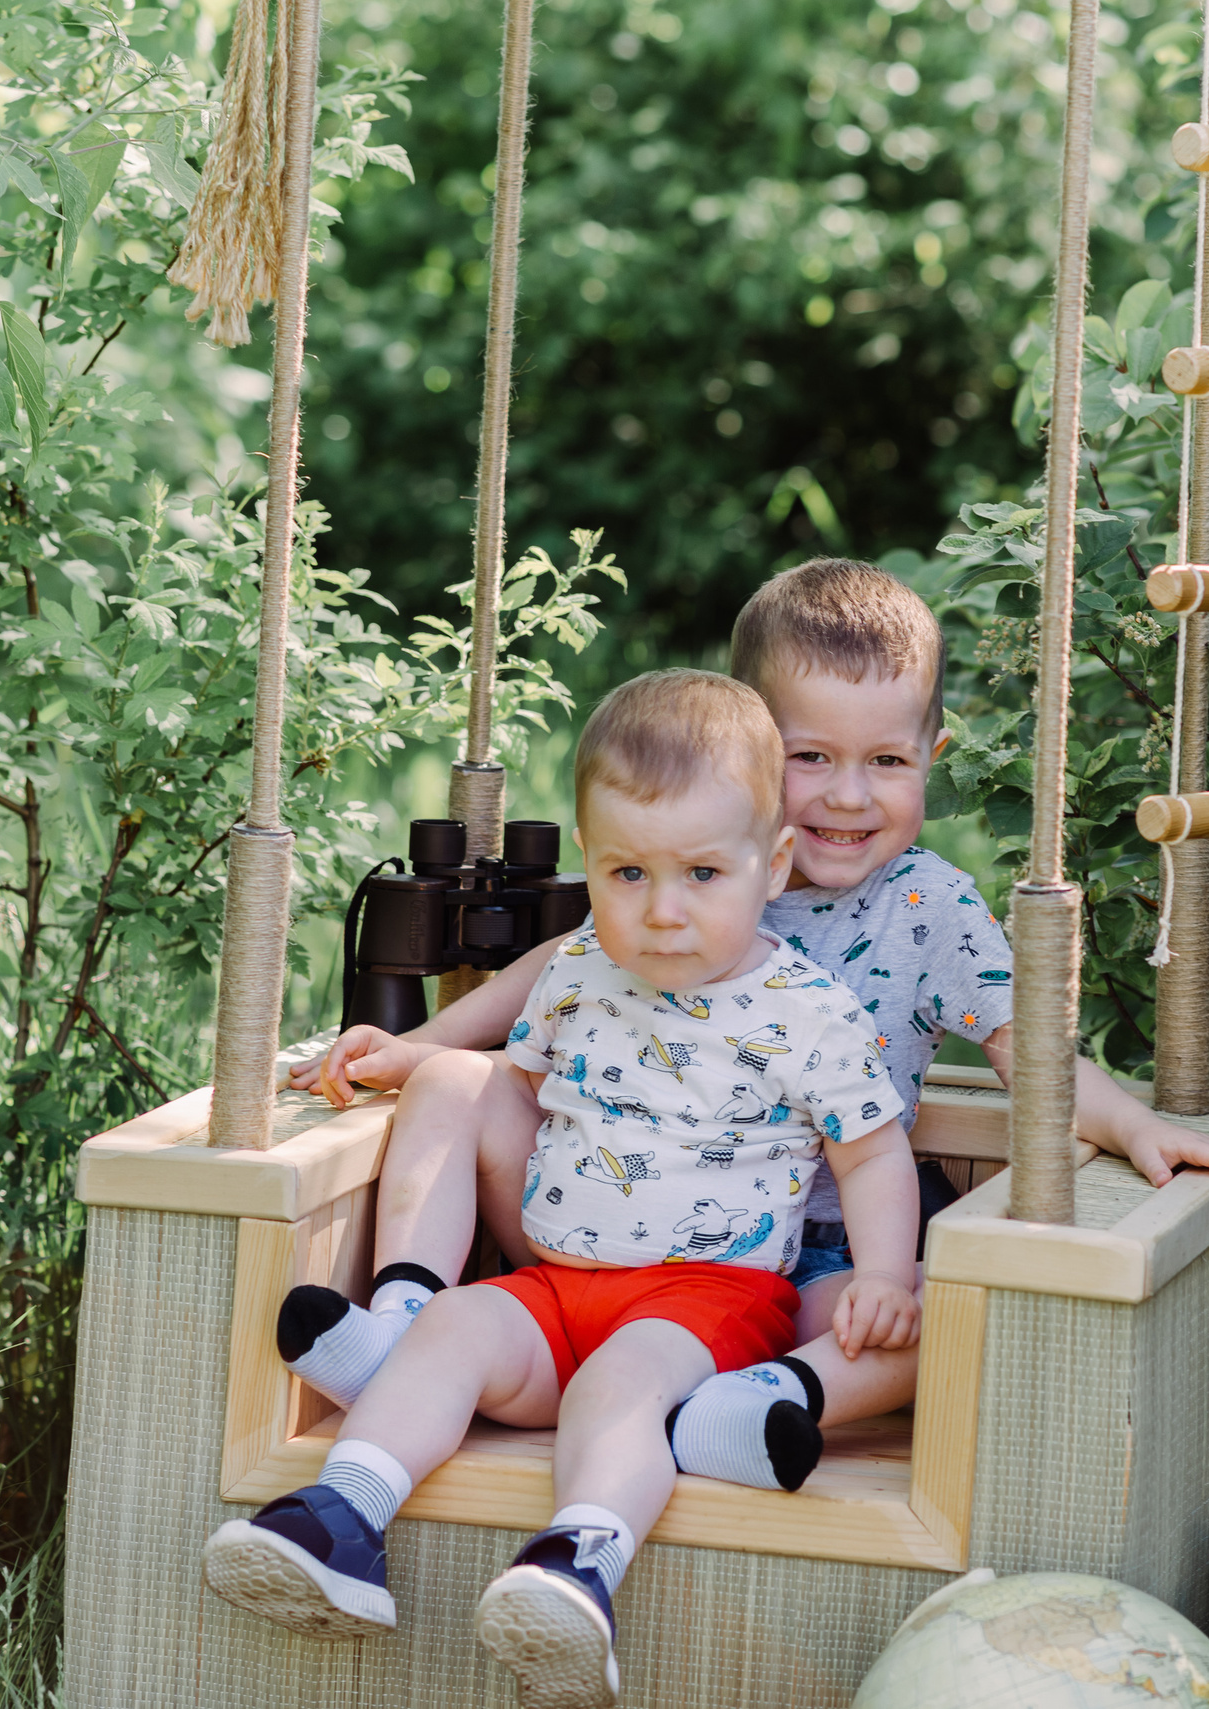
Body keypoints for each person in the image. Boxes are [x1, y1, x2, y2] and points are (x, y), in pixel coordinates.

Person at [278, 558, 1209, 1493]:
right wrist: (423, 1048)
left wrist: (1131, 1122)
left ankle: (754, 1400)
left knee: (929, 1313)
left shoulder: (929, 905)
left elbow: (1023, 1047)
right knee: (455, 1082)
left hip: (814, 1260)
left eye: (885, 759)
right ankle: (405, 1321)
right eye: (809, 757)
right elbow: (557, 966)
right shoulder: (697, 863)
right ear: (750, 750)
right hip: (602, 1223)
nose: (848, 793)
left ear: (933, 753)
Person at [202, 670, 921, 1708]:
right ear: (592, 861)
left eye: (701, 874)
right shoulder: (584, 967)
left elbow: (871, 1150)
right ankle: (342, 1516)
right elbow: (515, 1080)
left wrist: (886, 1270)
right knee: (451, 1326)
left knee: (622, 1384)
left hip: (707, 1298)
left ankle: (577, 1560)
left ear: (771, 866)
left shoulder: (809, 1010)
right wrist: (414, 1055)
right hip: (556, 1283)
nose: (661, 911)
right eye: (628, 872)